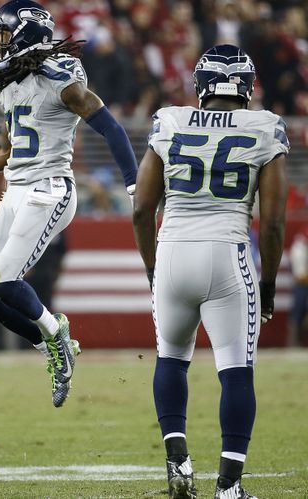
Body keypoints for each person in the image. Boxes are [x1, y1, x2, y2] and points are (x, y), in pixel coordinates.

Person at [0, 0, 138, 408]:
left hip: (50, 187)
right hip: (16, 188)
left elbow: (108, 124)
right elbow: (7, 143)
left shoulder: (62, 80)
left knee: (6, 279)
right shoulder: (7, 84)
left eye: (3, 36)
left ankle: (55, 332)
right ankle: (52, 349)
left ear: (25, 35)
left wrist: (131, 181)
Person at [133, 44, 289, 498]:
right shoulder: (266, 126)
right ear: (247, 86)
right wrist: (270, 281)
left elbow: (143, 209)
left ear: (200, 85)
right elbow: (275, 221)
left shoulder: (170, 119)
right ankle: (228, 488)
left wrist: (151, 267)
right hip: (228, 254)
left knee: (170, 358)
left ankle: (178, 464)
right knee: (236, 372)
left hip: (173, 252)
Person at [288, 226, 308, 347]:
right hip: (301, 284)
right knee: (297, 312)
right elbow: (300, 275)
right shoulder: (299, 247)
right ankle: (293, 342)